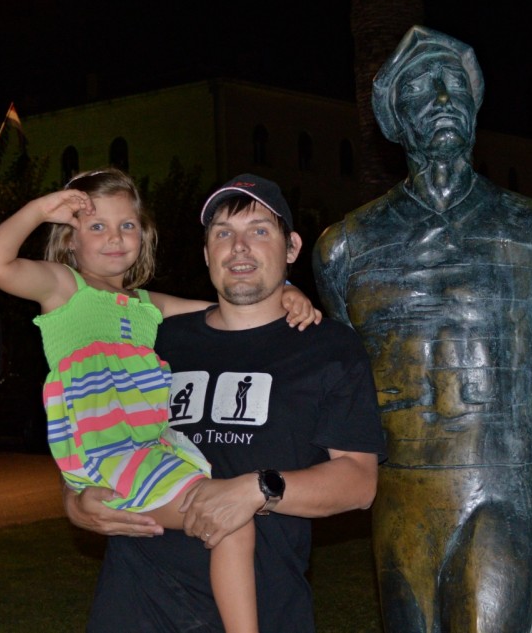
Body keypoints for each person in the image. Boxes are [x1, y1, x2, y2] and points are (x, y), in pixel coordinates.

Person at [0, 168, 321, 633]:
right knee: (229, 521)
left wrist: (289, 291)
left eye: (127, 225)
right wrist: (38, 210)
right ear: (70, 240)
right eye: (97, 226)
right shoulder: (62, 288)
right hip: (107, 454)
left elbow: (232, 307)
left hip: (146, 451)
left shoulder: (145, 306)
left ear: (144, 235)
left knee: (227, 519)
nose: (114, 237)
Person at [64, 173, 385, 633]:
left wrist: (257, 489)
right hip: (136, 604)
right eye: (223, 233)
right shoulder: (152, 337)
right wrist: (73, 501)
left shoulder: (329, 348)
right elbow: (85, 420)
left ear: (291, 247)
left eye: (259, 230)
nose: (239, 247)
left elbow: (359, 481)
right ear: (206, 253)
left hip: (262, 610)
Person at [313, 26, 532, 632]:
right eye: (421, 89)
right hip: (400, 491)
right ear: (394, 120)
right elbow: (339, 373)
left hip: (502, 484)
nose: (443, 100)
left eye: (454, 87)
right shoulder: (346, 247)